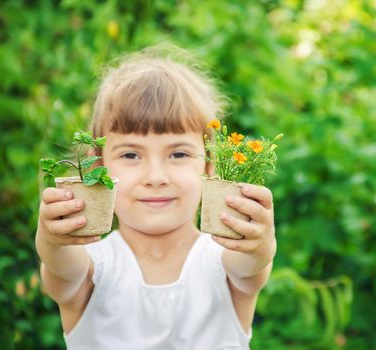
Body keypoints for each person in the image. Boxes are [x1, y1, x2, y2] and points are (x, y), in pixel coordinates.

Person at [35, 45, 277, 349]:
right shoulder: (93, 266)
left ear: (210, 165)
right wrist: (52, 238)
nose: (155, 177)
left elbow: (250, 263)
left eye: (178, 153)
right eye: (131, 154)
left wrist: (260, 243)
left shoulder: (222, 262)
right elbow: (60, 265)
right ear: (98, 168)